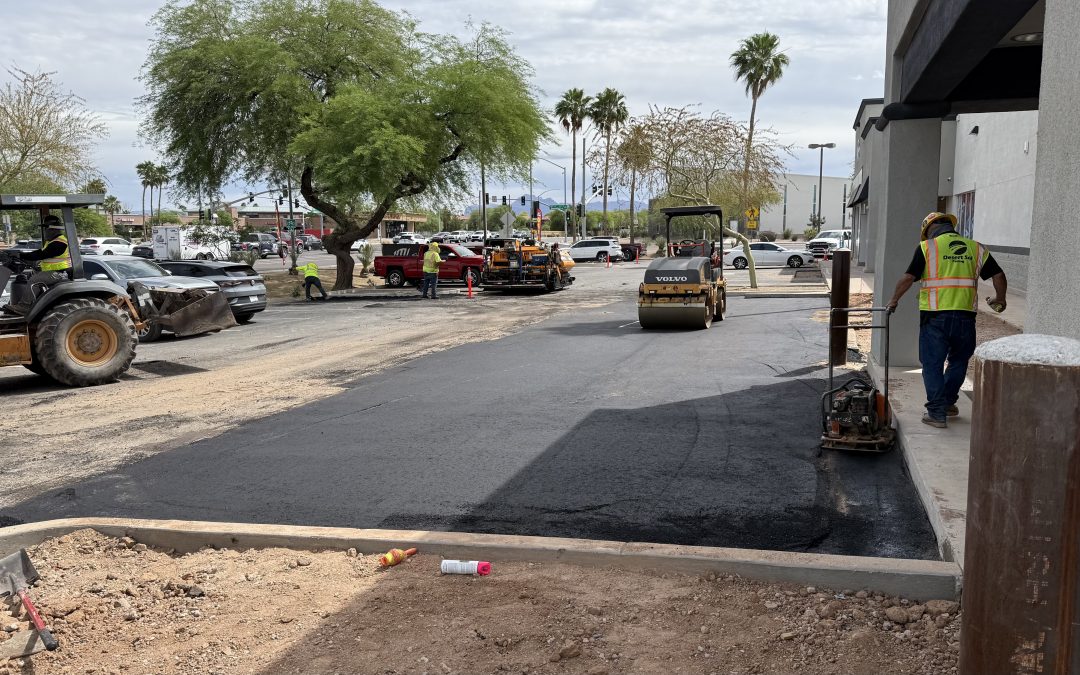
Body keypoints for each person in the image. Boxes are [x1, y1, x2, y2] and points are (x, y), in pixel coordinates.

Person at [886, 212, 1007, 428]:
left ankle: (936, 413)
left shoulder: (928, 248)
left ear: (929, 230)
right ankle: (948, 403)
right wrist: (1000, 299)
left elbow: (908, 278)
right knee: (958, 361)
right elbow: (998, 275)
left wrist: (893, 301)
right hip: (965, 316)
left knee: (932, 364)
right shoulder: (976, 248)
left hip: (935, 316)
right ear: (950, 226)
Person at [18, 215, 74, 287]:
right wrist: (23, 255)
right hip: (54, 272)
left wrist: (21, 255)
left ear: (53, 229)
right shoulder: (52, 242)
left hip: (59, 273)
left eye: (45, 228)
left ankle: (26, 299)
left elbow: (41, 254)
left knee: (33, 281)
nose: (44, 232)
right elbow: (40, 252)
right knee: (29, 276)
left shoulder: (59, 243)